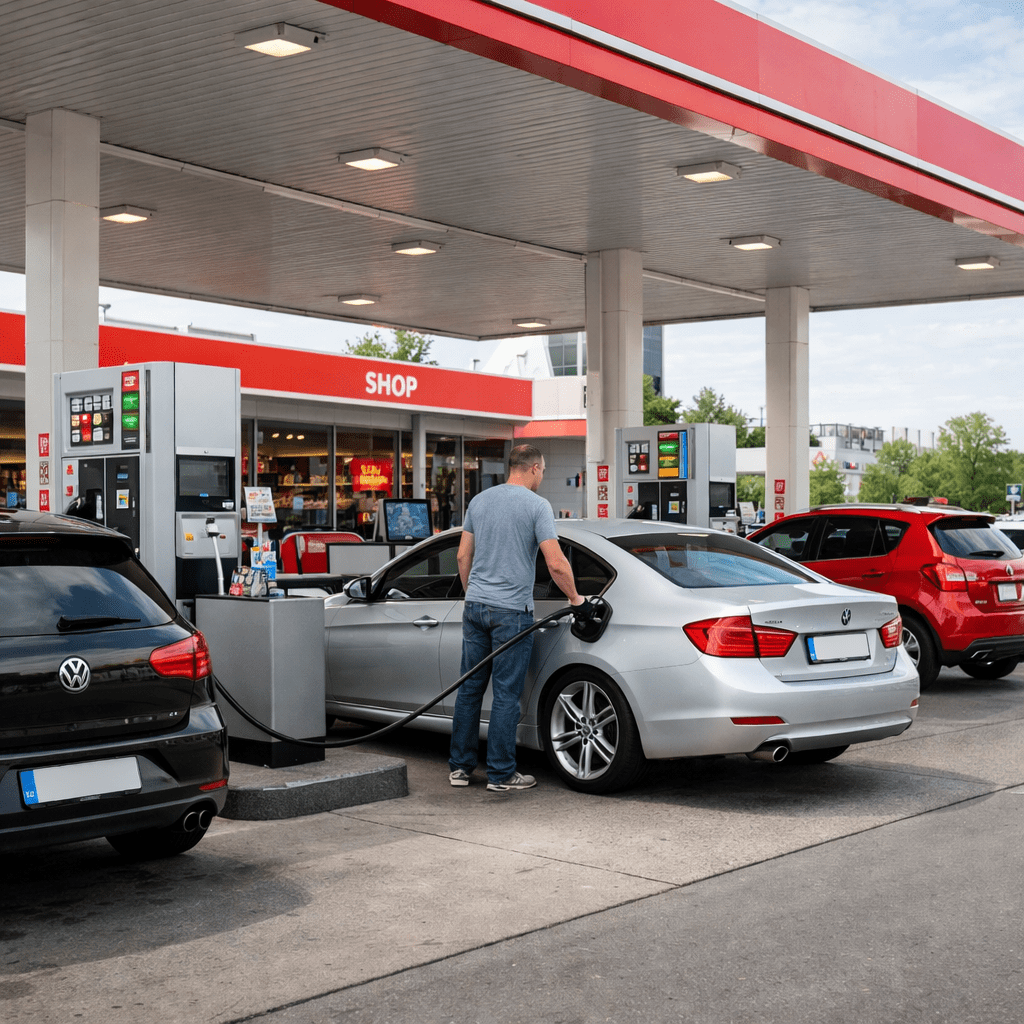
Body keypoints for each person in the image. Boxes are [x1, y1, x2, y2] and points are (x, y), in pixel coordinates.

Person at [448, 444, 584, 792]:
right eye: (544, 471)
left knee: (469, 690)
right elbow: (555, 562)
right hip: (511, 612)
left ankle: (460, 769)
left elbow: (463, 556)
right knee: (506, 694)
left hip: (475, 607)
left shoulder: (479, 501)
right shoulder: (538, 506)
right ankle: (501, 774)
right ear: (535, 468)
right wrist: (575, 598)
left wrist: (473, 593)